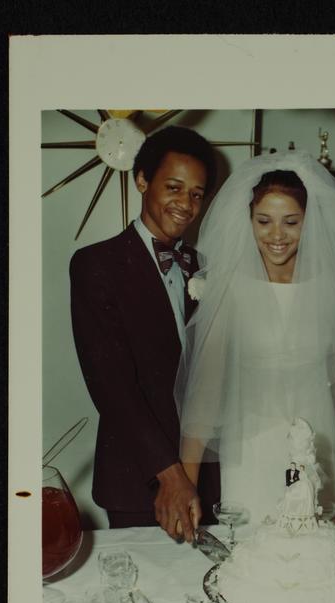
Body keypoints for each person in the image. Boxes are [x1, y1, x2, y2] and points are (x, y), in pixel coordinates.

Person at [175, 150, 335, 526]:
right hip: (251, 449)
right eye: (264, 221)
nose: (276, 235)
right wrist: (187, 483)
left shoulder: (330, 289)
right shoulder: (231, 289)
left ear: (310, 222)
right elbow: (205, 391)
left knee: (317, 549)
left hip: (320, 446)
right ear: (249, 221)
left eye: (291, 222)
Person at [70, 125, 217, 542]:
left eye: (196, 194)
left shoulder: (206, 268)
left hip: (210, 476)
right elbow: (111, 384)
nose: (185, 204)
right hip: (137, 480)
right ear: (141, 180)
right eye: (174, 187)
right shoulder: (95, 264)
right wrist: (170, 475)